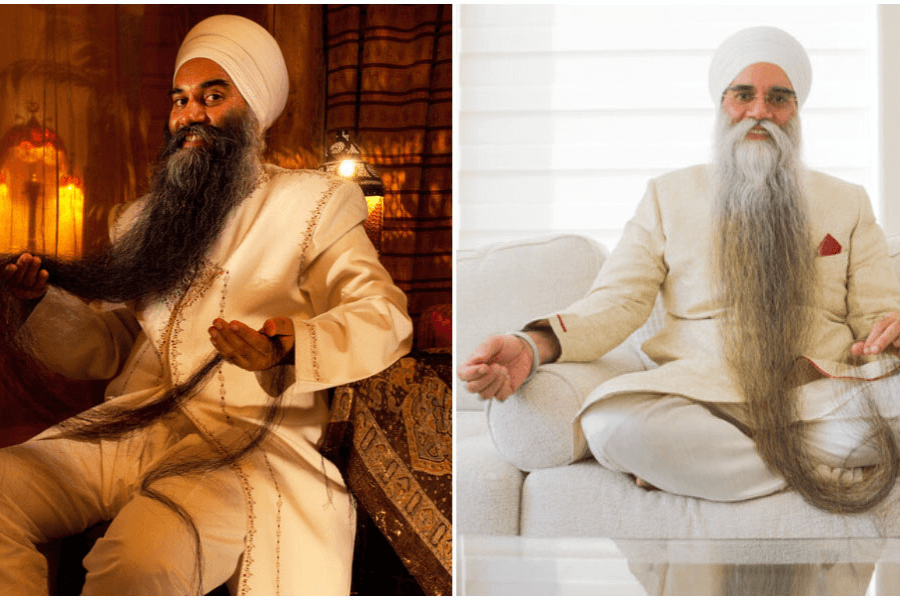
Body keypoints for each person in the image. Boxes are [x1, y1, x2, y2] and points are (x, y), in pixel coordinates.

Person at [0, 14, 412, 595]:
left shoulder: (314, 203)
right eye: (180, 99)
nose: (190, 114)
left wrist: (286, 344)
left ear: (255, 112)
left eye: (212, 96)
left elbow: (382, 315)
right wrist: (40, 302)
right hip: (134, 424)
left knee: (139, 566)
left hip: (241, 440)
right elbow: (117, 343)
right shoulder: (140, 218)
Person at [459, 26, 900, 513]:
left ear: (796, 110)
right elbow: (617, 302)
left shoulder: (847, 201)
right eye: (743, 95)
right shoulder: (668, 196)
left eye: (778, 98)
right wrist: (532, 344)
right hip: (704, 393)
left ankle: (708, 467)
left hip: (815, 397)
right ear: (721, 104)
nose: (759, 111)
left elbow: (879, 314)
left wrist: (891, 331)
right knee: (611, 423)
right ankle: (804, 470)